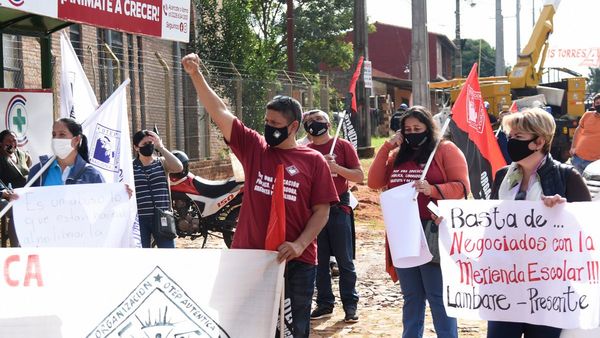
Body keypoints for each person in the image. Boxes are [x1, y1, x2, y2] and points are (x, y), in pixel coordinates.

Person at [182, 53, 339, 338]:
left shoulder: (313, 161)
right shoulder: (256, 148)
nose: (269, 127)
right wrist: (196, 75)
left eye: (276, 124)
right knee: (239, 327)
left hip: (295, 261)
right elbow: (220, 112)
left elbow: (322, 210)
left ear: (293, 127)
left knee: (291, 330)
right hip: (250, 259)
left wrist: (300, 244)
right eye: (266, 120)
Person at [487, 107, 591, 338]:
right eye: (510, 136)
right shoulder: (503, 177)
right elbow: (489, 223)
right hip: (506, 285)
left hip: (548, 290)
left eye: (518, 137)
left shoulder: (567, 177)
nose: (510, 142)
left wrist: (564, 212)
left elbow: (589, 235)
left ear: (539, 141)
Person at [367, 105, 469, 338]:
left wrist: (433, 189)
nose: (412, 132)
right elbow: (373, 182)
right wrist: (386, 147)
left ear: (428, 128)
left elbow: (462, 188)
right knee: (411, 296)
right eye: (408, 129)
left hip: (432, 230)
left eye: (418, 128)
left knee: (437, 295)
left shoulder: (445, 150)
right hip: (403, 231)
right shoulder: (397, 155)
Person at [303, 109, 364, 323]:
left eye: (318, 119)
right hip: (315, 210)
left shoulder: (343, 146)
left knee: (344, 260)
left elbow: (359, 176)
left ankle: (350, 305)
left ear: (328, 124)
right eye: (309, 121)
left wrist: (335, 167)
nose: (314, 123)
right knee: (318, 261)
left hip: (339, 208)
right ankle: (324, 303)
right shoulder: (306, 151)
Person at [132, 129, 183, 249]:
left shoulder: (162, 163)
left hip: (162, 217)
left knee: (167, 253)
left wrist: (161, 147)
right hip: (140, 219)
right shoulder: (131, 167)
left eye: (150, 143)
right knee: (142, 255)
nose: (148, 147)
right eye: (144, 144)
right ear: (136, 147)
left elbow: (179, 167)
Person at [29, 118, 105, 186]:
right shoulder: (38, 171)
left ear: (77, 140)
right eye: (54, 134)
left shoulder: (93, 176)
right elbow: (25, 198)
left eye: (62, 134)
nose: (56, 139)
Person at [0, 130, 31, 247]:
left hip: (21, 194)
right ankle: (16, 248)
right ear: (1, 144)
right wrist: (4, 194)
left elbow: (28, 166)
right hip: (4, 196)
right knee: (16, 210)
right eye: (8, 141)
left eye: (14, 140)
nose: (12, 143)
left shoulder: (21, 154)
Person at [569, 93, 600, 174]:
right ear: (593, 104)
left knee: (593, 186)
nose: (599, 105)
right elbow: (577, 131)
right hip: (578, 159)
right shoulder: (587, 115)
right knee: (576, 185)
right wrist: (573, 147)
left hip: (596, 163)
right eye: (597, 103)